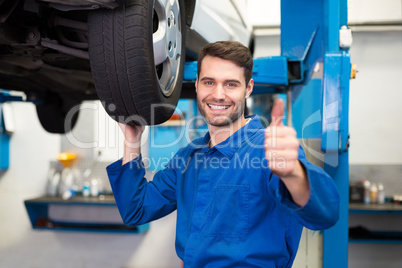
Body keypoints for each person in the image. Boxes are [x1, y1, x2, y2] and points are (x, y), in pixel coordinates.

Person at [107, 41, 340, 267]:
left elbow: (324, 215)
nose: (218, 95)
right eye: (209, 82)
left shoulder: (268, 150)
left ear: (248, 88)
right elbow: (135, 210)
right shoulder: (188, 158)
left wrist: (293, 175)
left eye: (231, 84)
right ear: (197, 85)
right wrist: (132, 139)